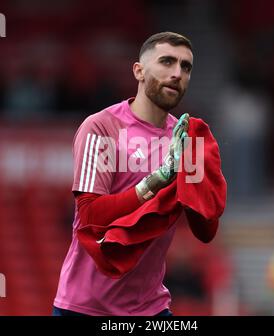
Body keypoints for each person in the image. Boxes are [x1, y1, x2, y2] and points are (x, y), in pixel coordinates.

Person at [53, 31, 226, 316]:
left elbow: (205, 231)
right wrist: (155, 182)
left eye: (186, 67)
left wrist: (199, 177)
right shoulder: (101, 127)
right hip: (84, 307)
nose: (177, 73)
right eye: (167, 62)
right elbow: (89, 215)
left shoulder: (187, 138)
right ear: (139, 71)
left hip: (152, 309)